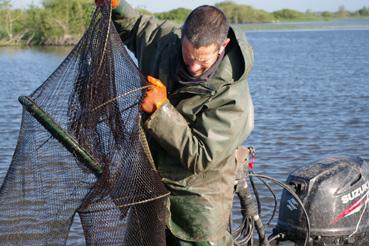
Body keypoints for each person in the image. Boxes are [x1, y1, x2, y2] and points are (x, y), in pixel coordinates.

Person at [96, 0, 254, 245]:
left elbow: (200, 156)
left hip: (198, 203)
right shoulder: (165, 42)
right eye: (188, 55)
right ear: (182, 37)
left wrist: (161, 110)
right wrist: (116, 6)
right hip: (150, 188)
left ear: (223, 46)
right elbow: (135, 25)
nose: (193, 66)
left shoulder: (233, 98)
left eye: (202, 61)